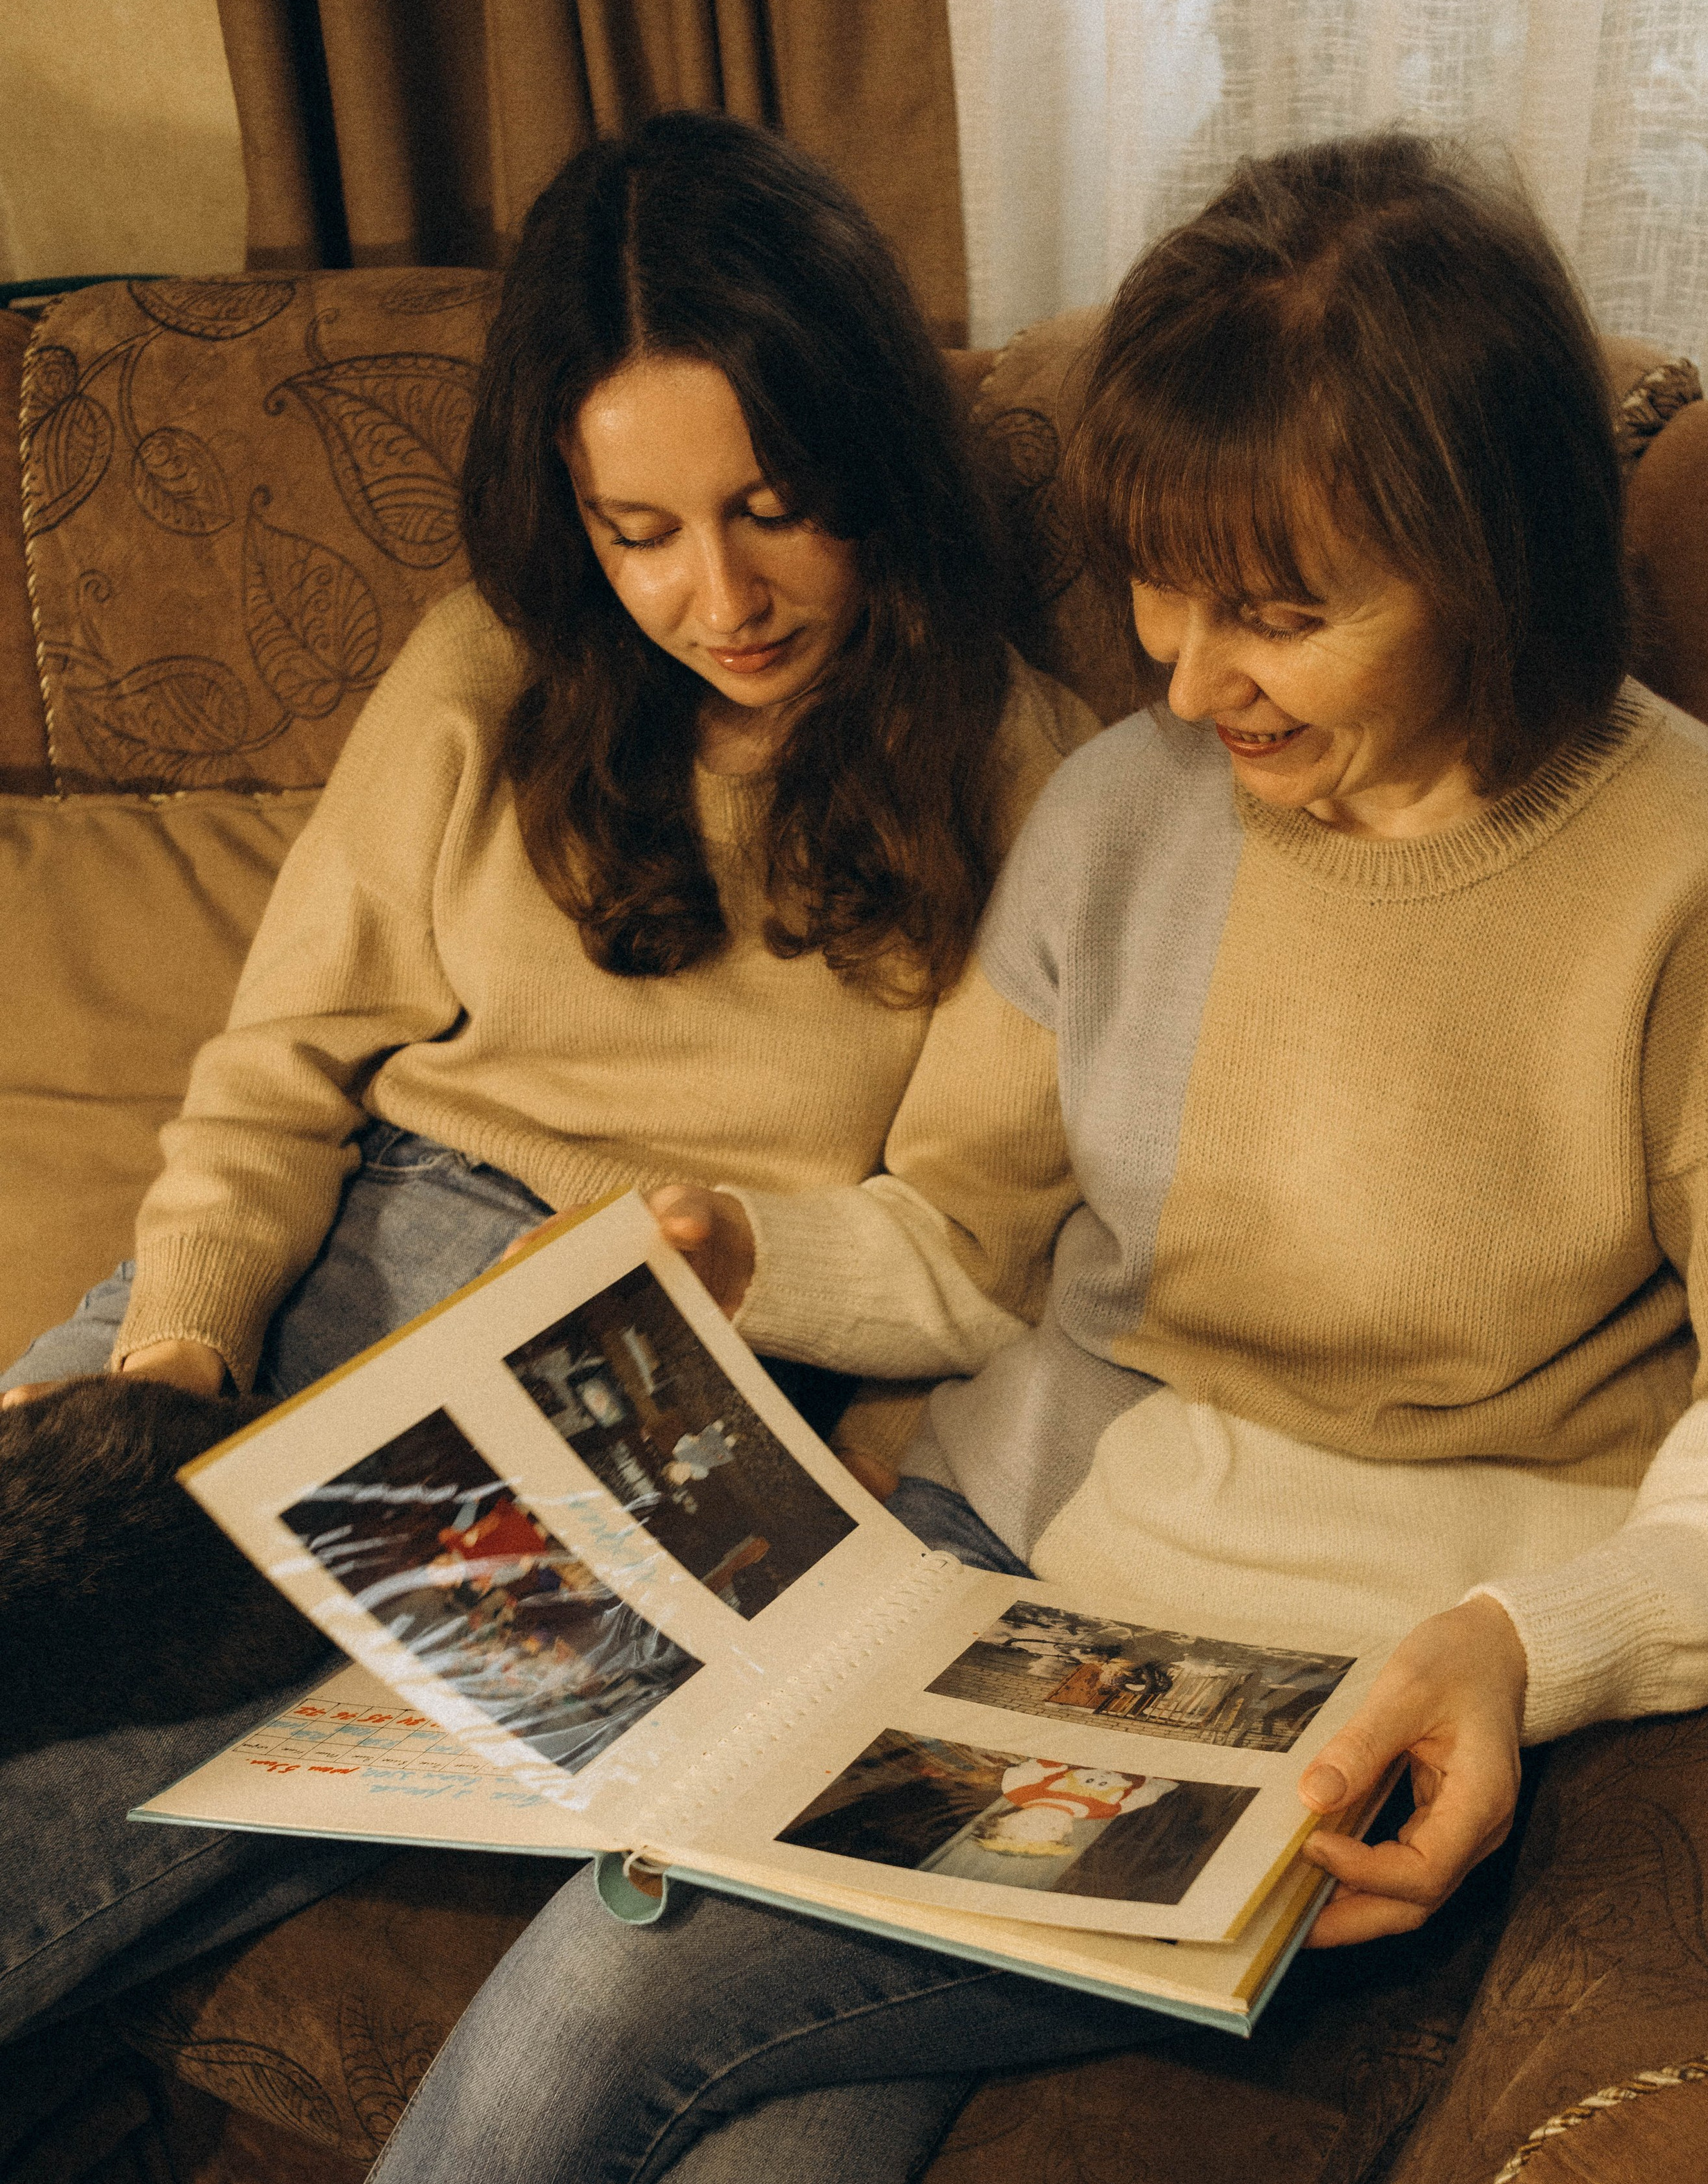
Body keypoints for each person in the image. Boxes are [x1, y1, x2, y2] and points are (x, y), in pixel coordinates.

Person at [53, 130, 1708, 2184]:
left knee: (621, 1959)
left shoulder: (1705, 876)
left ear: (1493, 555)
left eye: (1276, 612)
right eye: (1164, 592)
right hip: (994, 1563)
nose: (1189, 680)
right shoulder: (1124, 805)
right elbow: (968, 1254)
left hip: (1350, 1686)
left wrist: (1545, 1648)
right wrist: (761, 1251)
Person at [0, 111, 1094, 2044]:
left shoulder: (1031, 775)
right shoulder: (484, 673)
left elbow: (965, 1254)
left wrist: (737, 1255)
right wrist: (166, 1355)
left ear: (875, 465)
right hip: (324, 1255)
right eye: (640, 532)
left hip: (645, 1362)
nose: (721, 599)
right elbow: (275, 1083)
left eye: (776, 506)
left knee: (69, 1835)